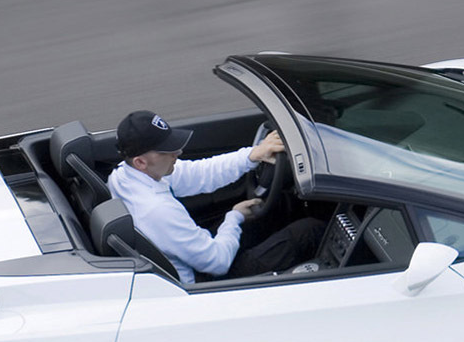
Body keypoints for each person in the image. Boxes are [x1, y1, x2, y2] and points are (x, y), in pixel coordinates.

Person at [107, 110, 323, 283]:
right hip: (207, 280)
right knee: (309, 231)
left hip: (196, 255)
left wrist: (252, 155)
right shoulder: (157, 210)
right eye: (168, 150)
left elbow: (200, 173)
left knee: (278, 208)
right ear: (141, 162)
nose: (178, 153)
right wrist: (234, 217)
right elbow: (218, 262)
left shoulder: (124, 175)